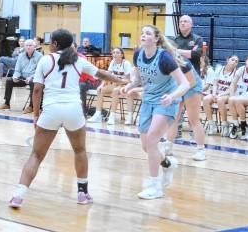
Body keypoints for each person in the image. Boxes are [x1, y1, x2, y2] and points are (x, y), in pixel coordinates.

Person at [8, 29, 126, 208]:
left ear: (55, 44)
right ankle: (82, 193)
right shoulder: (78, 59)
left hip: (51, 110)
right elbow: (101, 74)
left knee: (36, 155)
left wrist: (36, 115)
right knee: (80, 151)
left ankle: (18, 195)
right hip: (73, 110)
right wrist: (123, 81)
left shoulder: (46, 60)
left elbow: (37, 90)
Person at [119, 25, 190, 200]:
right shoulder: (138, 54)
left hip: (165, 102)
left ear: (156, 39)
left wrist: (172, 97)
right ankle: (167, 164)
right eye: (142, 33)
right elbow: (137, 79)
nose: (143, 36)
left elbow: (185, 84)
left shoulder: (164, 58)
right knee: (146, 146)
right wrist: (128, 86)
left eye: (148, 33)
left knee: (152, 141)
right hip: (148, 100)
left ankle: (154, 186)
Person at [163, 56, 207, 161]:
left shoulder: (180, 61)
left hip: (192, 86)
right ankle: (168, 147)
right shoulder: (160, 60)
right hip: (178, 86)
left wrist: (176, 93)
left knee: (193, 120)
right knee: (173, 117)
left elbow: (191, 82)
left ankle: (201, 151)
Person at [87, 47, 133, 125]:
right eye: (114, 52)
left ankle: (112, 116)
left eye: (117, 52)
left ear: (122, 55)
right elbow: (107, 76)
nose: (115, 54)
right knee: (100, 90)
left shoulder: (126, 63)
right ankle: (98, 114)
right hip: (115, 85)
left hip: (125, 86)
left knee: (115, 91)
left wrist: (120, 82)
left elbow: (129, 80)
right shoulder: (112, 62)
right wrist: (101, 85)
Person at [0, 39, 42, 112]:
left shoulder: (39, 56)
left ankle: (31, 106)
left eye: (30, 45)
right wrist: (15, 76)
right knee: (9, 81)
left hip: (33, 78)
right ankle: (6, 103)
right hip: (22, 78)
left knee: (32, 82)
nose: (28, 47)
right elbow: (17, 69)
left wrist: (31, 77)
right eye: (27, 45)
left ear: (34, 47)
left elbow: (39, 71)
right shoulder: (21, 56)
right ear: (24, 47)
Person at [202, 55, 239, 136]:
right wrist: (214, 94)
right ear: (227, 60)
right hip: (217, 93)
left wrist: (220, 95)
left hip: (228, 95)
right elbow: (215, 84)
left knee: (220, 100)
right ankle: (211, 124)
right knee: (205, 99)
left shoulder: (236, 73)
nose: (234, 62)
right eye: (233, 60)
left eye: (236, 61)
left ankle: (225, 124)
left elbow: (232, 89)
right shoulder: (219, 69)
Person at [227, 54, 248, 140]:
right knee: (231, 99)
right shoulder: (242, 69)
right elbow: (233, 84)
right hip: (243, 96)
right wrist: (232, 96)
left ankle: (243, 124)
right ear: (246, 62)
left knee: (237, 100)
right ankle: (236, 124)